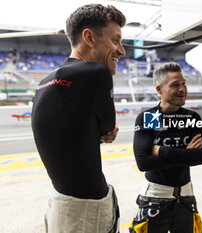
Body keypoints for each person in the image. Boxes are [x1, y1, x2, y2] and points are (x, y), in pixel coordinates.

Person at [31, 4, 126, 233]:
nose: (121, 51)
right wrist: (104, 131)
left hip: (59, 206)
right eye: (115, 40)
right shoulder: (97, 72)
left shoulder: (44, 83)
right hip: (87, 213)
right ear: (89, 38)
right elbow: (107, 129)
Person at [129, 62, 202, 233]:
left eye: (183, 83)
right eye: (175, 85)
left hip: (186, 195)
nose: (182, 89)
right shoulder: (151, 116)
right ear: (159, 90)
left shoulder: (191, 117)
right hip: (156, 195)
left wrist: (165, 151)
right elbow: (144, 163)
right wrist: (186, 154)